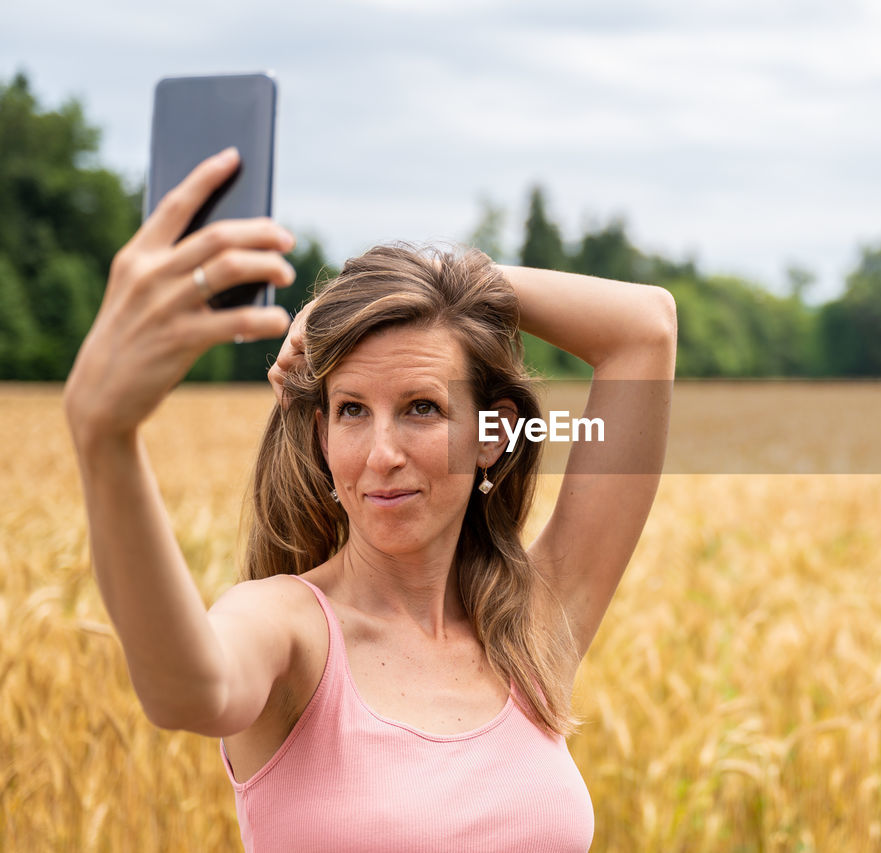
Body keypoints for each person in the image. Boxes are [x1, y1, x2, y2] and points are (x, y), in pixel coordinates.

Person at [64, 147, 677, 851]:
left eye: (420, 407)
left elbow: (645, 328)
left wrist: (446, 287)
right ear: (322, 434)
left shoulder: (535, 622)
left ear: (492, 434)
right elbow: (185, 689)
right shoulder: (290, 628)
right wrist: (107, 440)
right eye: (353, 410)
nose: (382, 453)